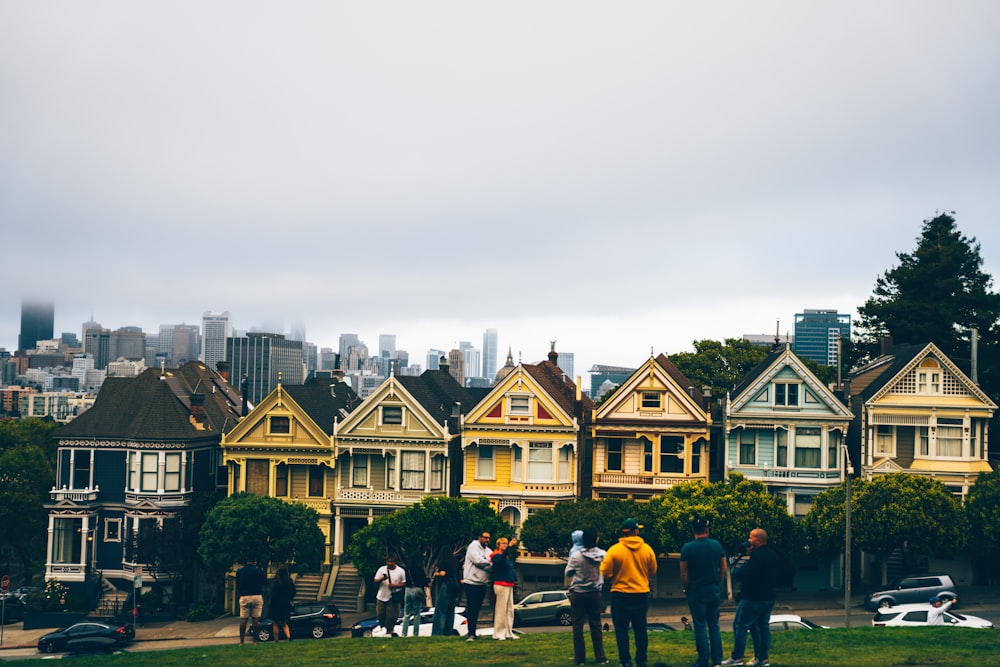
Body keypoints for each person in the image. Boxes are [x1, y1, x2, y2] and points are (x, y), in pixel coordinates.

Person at [600, 518, 657, 667]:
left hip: (620, 594)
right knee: (640, 629)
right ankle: (641, 660)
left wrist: (615, 576)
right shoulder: (647, 549)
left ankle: (625, 661)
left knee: (621, 630)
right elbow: (653, 571)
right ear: (636, 531)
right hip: (640, 593)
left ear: (623, 533)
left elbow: (605, 572)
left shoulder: (614, 550)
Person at [722, 528, 779, 667]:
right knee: (761, 627)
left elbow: (742, 575)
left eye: (751, 537)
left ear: (758, 540)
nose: (748, 540)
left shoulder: (757, 557)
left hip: (752, 598)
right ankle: (762, 658)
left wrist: (741, 594)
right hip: (768, 598)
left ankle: (737, 657)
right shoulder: (773, 555)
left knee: (740, 625)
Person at [680, 518, 727, 667]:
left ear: (693, 530)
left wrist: (686, 588)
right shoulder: (716, 545)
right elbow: (724, 567)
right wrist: (718, 582)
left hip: (696, 591)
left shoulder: (687, 548)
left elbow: (684, 572)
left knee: (700, 625)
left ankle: (703, 659)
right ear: (707, 530)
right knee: (714, 625)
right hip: (713, 590)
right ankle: (717, 660)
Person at [565, 526, 608, 666]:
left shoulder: (576, 556)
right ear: (596, 539)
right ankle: (600, 657)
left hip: (578, 592)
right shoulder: (603, 554)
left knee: (577, 626)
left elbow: (568, 573)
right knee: (596, 625)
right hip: (595, 593)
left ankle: (580, 659)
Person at [462, 530, 493, 641]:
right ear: (479, 537)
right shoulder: (473, 546)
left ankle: (472, 632)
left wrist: (486, 563)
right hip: (471, 582)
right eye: (485, 537)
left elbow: (491, 564)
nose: (487, 540)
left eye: (489, 538)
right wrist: (487, 562)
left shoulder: (489, 550)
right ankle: (471, 633)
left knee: (477, 608)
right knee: (472, 608)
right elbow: (477, 561)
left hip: (482, 583)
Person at [491, 536, 519, 640]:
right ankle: (499, 633)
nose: (505, 545)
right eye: (503, 543)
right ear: (498, 545)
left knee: (509, 610)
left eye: (506, 543)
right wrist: (510, 547)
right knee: (501, 610)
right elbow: (500, 559)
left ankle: (508, 631)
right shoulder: (496, 556)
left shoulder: (505, 557)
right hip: (501, 584)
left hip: (508, 584)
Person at [235, 556, 267, 645]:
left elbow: (238, 583)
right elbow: (264, 582)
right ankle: (255, 641)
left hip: (244, 595)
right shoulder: (259, 571)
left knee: (243, 619)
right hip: (256, 595)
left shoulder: (240, 571)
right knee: (255, 619)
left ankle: (241, 641)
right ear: (255, 561)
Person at [373, 554, 407, 636]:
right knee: (380, 614)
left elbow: (404, 583)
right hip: (381, 596)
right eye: (388, 561)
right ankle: (382, 628)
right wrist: (382, 579)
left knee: (391, 616)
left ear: (395, 562)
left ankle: (389, 631)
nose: (389, 563)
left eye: (391, 561)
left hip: (393, 597)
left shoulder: (400, 571)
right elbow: (375, 581)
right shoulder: (382, 569)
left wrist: (395, 585)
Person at [431, 545, 460, 635]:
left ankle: (438, 632)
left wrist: (437, 574)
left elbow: (444, 574)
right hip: (455, 586)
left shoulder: (443, 562)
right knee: (451, 610)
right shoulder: (455, 562)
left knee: (441, 610)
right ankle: (448, 630)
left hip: (446, 585)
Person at [401, 549, 430, 637]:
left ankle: (404, 633)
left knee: (407, 613)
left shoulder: (407, 568)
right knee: (417, 613)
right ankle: (415, 633)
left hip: (407, 590)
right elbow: (423, 580)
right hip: (417, 590)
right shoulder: (419, 568)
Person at [269, 564, 296, 642]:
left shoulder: (276, 582)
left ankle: (276, 640)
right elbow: (293, 592)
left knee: (275, 623)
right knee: (284, 622)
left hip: (276, 605)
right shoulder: (289, 581)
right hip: (285, 604)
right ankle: (289, 637)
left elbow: (273, 594)